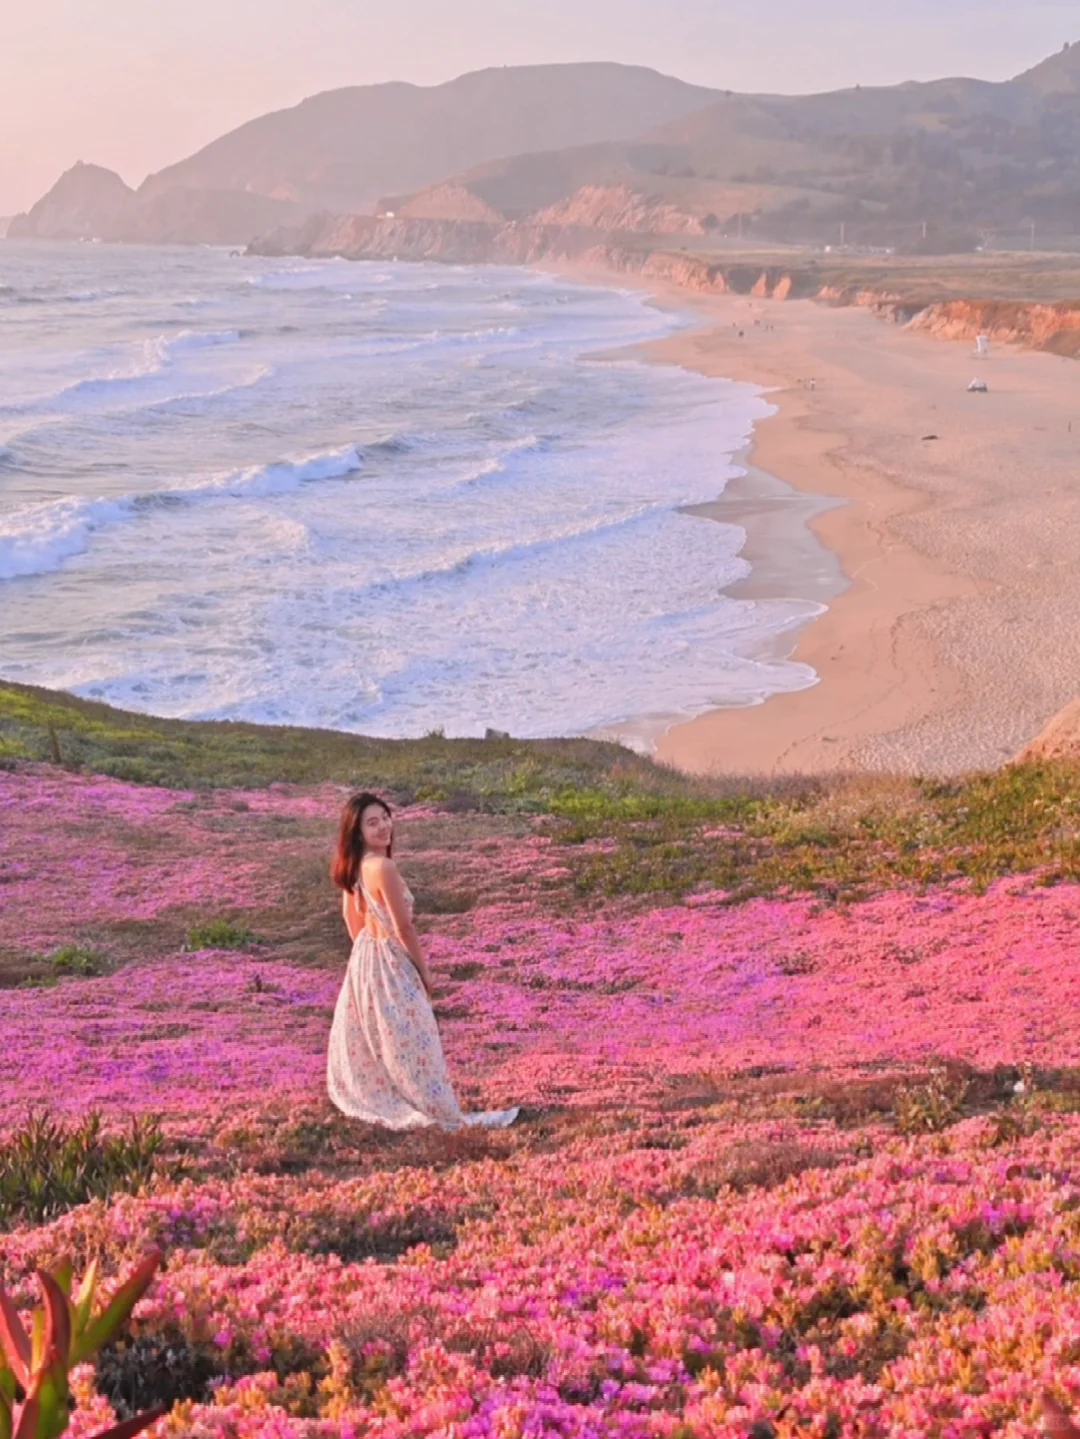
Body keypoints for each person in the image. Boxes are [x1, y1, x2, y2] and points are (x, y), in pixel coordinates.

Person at [327, 792, 519, 1131]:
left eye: (385, 817)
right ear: (358, 832)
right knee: (416, 1037)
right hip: (389, 958)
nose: (384, 826)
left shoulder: (355, 865)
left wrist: (367, 957)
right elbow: (403, 927)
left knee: (385, 1038)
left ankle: (399, 1098)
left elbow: (350, 919)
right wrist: (422, 971)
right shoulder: (383, 866)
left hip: (365, 959)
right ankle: (434, 1108)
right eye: (372, 823)